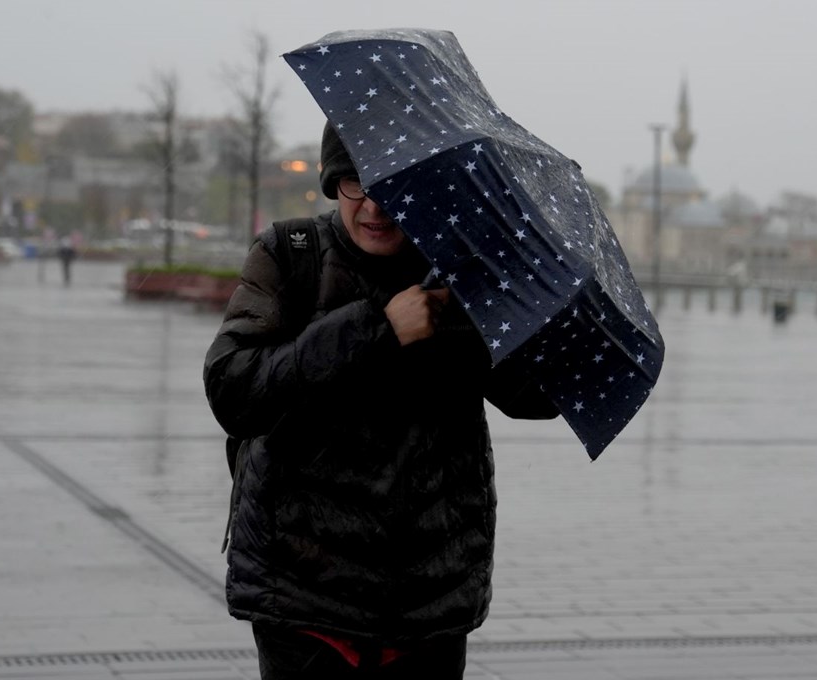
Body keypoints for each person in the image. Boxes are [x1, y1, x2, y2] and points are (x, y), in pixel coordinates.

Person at [203, 124, 558, 679]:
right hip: (304, 595)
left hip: (431, 599)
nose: (373, 205)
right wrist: (376, 327)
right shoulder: (292, 255)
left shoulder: (463, 273)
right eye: (354, 182)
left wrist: (499, 304)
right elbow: (235, 390)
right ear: (331, 182)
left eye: (395, 185)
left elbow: (537, 397)